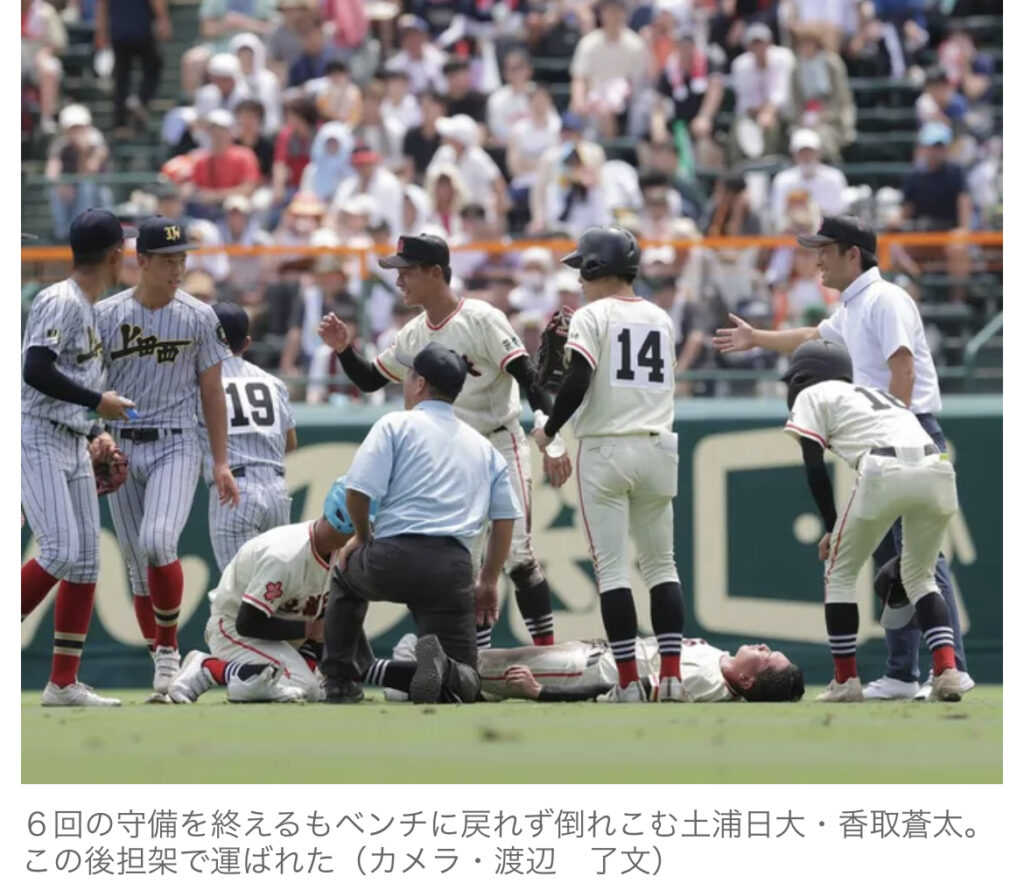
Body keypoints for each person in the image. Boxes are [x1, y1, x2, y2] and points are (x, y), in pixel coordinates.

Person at [712, 215, 973, 700]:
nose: (817, 260)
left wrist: (898, 427)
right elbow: (814, 335)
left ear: (853, 254)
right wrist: (759, 338)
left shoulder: (886, 298)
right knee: (894, 565)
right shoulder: (851, 307)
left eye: (825, 250)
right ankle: (903, 673)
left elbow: (903, 367)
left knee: (918, 564)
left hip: (908, 430)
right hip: (888, 441)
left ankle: (949, 667)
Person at [318, 234, 572, 653]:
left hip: (498, 440)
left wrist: (551, 436)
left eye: (406, 271)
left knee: (518, 555)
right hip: (454, 453)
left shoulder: (481, 318)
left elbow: (528, 376)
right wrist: (345, 350)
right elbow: (369, 379)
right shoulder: (413, 334)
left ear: (435, 272)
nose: (398, 280)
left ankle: (547, 654)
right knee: (464, 559)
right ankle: (479, 659)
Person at [532, 226, 686, 703]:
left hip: (606, 448)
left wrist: (550, 429)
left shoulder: (592, 315)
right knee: (662, 566)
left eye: (583, 268)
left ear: (599, 267)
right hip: (659, 446)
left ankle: (628, 683)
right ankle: (673, 679)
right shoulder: (660, 317)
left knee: (614, 572)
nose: (579, 279)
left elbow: (578, 381)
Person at [320, 343, 523, 704]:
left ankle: (338, 680)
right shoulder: (483, 447)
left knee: (344, 579)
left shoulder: (394, 424)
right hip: (451, 568)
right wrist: (489, 579)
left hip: (391, 557)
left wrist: (363, 537)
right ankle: (447, 670)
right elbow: (505, 518)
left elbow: (357, 491)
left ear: (420, 383)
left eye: (409, 374)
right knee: (467, 679)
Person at [94, 216, 241, 701]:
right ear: (142, 261)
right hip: (121, 444)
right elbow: (88, 386)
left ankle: (169, 649)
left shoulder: (199, 316)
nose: (178, 268)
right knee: (138, 567)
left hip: (176, 441)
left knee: (158, 541)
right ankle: (159, 653)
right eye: (168, 260)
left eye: (182, 259)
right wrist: (97, 433)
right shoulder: (106, 315)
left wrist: (220, 461)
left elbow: (212, 392)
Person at [779, 340, 963, 703]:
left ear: (803, 377)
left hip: (883, 467)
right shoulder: (877, 395)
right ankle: (947, 671)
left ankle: (845, 680)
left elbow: (814, 468)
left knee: (839, 573)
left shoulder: (812, 395)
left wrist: (832, 526)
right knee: (921, 576)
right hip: (938, 467)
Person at [21, 210, 138, 707]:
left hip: (71, 438)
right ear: (115, 254)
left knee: (87, 561)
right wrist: (97, 404)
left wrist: (96, 430)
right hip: (38, 435)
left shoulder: (88, 306)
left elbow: (66, 381)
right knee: (58, 551)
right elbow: (34, 369)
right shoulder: (61, 299)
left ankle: (63, 684)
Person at [168, 479, 360, 705]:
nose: (367, 532)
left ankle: (255, 681)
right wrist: (310, 629)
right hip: (232, 629)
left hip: (279, 637)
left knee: (315, 689)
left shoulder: (337, 552)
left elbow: (324, 627)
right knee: (304, 687)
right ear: (345, 520)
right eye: (364, 523)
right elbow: (247, 623)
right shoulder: (285, 556)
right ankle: (209, 668)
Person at [378, 634, 804, 703]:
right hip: (592, 653)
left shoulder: (704, 682)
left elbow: (620, 694)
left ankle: (387, 675)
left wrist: (542, 693)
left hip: (584, 672)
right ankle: (411, 676)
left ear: (746, 679)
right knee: (484, 667)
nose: (764, 647)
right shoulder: (719, 659)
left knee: (478, 671)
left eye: (768, 657)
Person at [202, 303, 298, 572]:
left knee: (236, 591)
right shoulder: (273, 382)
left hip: (234, 489)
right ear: (246, 342)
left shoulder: (202, 383)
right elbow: (290, 443)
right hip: (277, 491)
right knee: (272, 590)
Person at [94, 0, 171, 139]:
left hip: (118, 31)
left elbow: (102, 4)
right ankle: (140, 101)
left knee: (121, 78)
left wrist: (101, 30)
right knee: (154, 65)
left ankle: (121, 124)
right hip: (140, 28)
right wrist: (163, 19)